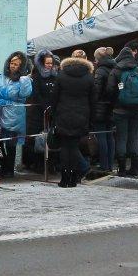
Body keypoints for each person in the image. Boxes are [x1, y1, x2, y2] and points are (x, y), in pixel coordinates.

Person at [49, 53, 95, 187]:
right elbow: (93, 101)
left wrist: (54, 115)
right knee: (74, 147)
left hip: (63, 115)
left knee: (65, 148)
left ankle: (64, 179)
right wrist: (91, 120)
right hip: (81, 116)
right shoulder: (89, 78)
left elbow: (55, 98)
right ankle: (74, 179)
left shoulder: (61, 76)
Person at [107, 46, 138, 177]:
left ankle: (121, 169)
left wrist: (117, 100)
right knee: (134, 138)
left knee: (121, 138)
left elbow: (109, 90)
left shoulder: (115, 71)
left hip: (120, 110)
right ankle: (135, 169)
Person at [0, 51, 32, 178]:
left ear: (22, 66)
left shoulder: (24, 80)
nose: (13, 66)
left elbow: (25, 95)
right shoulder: (1, 77)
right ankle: (2, 166)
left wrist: (24, 80)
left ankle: (9, 169)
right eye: (11, 63)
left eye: (17, 64)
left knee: (10, 143)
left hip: (14, 114)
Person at [25, 50, 59, 172]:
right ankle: (38, 164)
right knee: (39, 138)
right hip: (39, 113)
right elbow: (37, 94)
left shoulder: (56, 76)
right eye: (47, 63)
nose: (49, 65)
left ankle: (52, 164)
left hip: (53, 113)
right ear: (42, 63)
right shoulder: (37, 76)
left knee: (52, 138)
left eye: (51, 63)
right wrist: (46, 107)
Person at [90, 47, 116, 175]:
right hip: (112, 107)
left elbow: (96, 91)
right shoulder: (115, 68)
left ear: (98, 58)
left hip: (100, 107)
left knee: (101, 136)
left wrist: (92, 105)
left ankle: (104, 165)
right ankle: (110, 164)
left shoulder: (100, 71)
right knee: (110, 136)